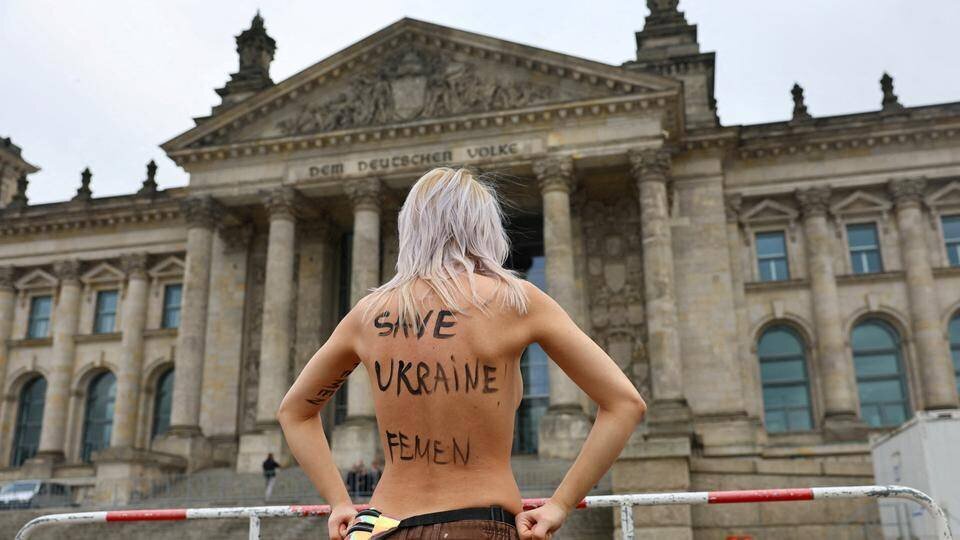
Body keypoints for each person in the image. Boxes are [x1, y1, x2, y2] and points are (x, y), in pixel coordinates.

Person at [278, 167, 646, 540]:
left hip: (381, 527)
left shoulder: (370, 313)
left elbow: (294, 411)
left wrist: (339, 502)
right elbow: (625, 403)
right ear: (486, 228)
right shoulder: (515, 301)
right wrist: (559, 505)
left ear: (411, 229)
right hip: (478, 525)